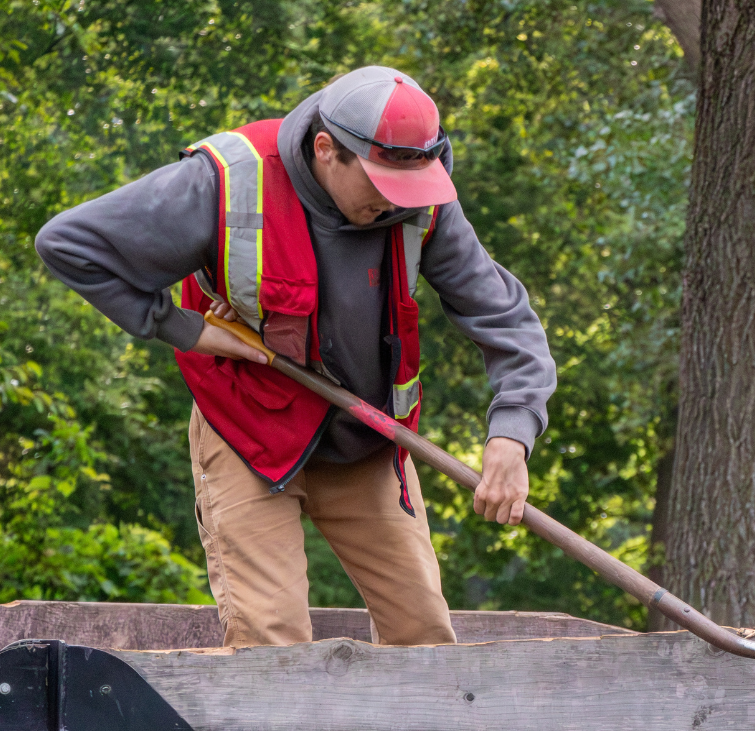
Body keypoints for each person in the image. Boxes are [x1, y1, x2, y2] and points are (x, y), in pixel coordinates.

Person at [36, 66, 556, 648]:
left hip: (366, 438)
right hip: (249, 431)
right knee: (272, 643)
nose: (395, 205)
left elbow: (507, 319)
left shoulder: (423, 199)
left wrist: (512, 432)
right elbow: (68, 245)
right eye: (382, 184)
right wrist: (184, 329)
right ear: (327, 149)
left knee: (425, 638)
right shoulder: (230, 180)